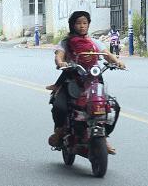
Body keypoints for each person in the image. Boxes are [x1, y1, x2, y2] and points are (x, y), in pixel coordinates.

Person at [47, 11, 125, 155]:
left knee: (113, 107)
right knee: (60, 107)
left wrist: (118, 62)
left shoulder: (94, 42)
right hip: (72, 81)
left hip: (94, 81)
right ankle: (59, 132)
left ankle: (103, 136)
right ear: (72, 25)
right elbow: (59, 56)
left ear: (88, 24)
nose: (82, 26)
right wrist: (62, 62)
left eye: (85, 23)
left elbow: (107, 55)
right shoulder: (66, 42)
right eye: (78, 23)